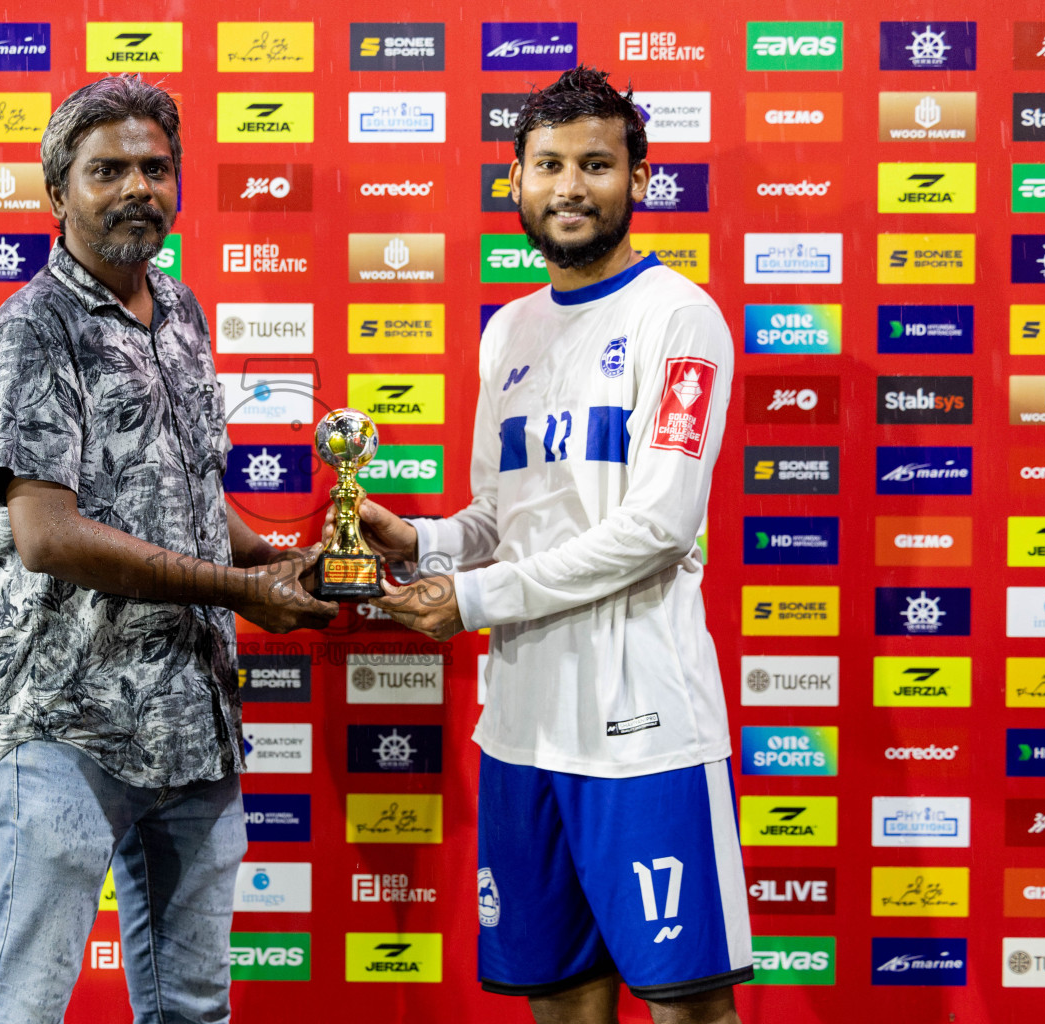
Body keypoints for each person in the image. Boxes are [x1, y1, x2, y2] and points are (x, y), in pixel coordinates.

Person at [359, 67, 751, 1024]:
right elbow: (503, 517)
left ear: (638, 181)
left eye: (595, 164)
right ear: (516, 183)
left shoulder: (680, 317)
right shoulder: (509, 331)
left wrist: (473, 600)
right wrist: (422, 541)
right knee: (561, 1001)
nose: (570, 187)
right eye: (548, 166)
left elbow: (656, 527)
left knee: (685, 1007)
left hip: (644, 727)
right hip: (521, 728)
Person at [0, 74, 338, 1024]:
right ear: (59, 194)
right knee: (25, 1006)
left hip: (192, 720)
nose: (138, 186)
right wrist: (230, 587)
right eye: (108, 170)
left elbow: (185, 500)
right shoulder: (32, 328)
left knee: (192, 1011)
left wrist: (275, 564)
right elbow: (46, 536)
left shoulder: (180, 313)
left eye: (155, 167)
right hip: (65, 721)